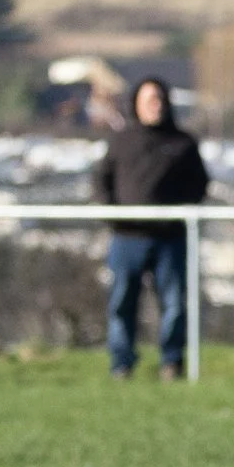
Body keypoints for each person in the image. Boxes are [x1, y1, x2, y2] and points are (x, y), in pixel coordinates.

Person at [93, 77, 210, 381]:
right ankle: (122, 364)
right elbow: (100, 181)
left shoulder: (183, 143)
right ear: (136, 104)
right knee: (121, 304)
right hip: (126, 239)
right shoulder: (121, 140)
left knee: (173, 304)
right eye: (148, 100)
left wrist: (177, 213)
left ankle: (172, 363)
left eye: (158, 99)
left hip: (170, 239)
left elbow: (199, 184)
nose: (154, 105)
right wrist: (113, 216)